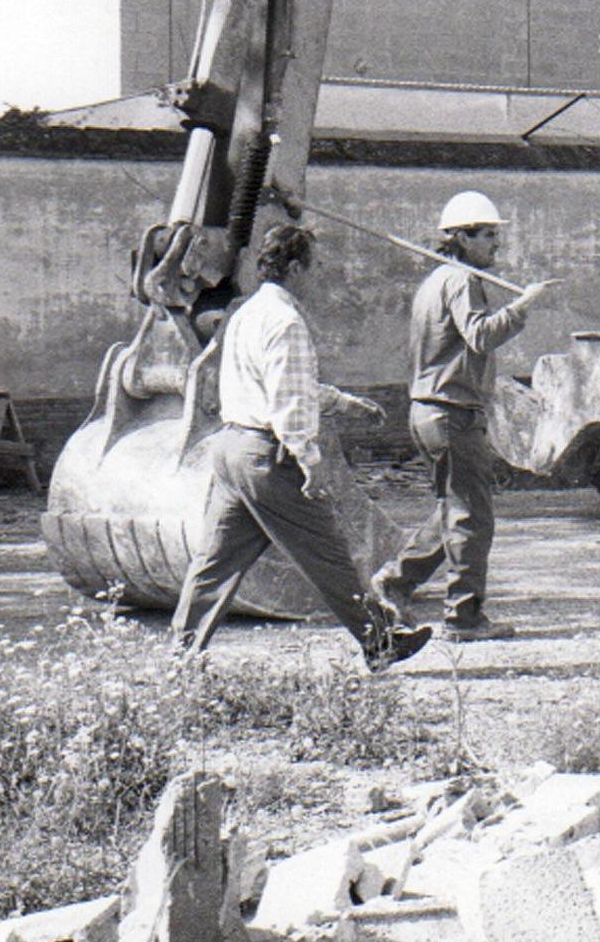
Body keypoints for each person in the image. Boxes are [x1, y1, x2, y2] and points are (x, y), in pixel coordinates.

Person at [171, 222, 431, 672]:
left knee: (214, 561)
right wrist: (309, 461)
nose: (319, 277)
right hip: (268, 455)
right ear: (294, 269)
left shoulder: (245, 314)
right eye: (315, 268)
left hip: (231, 449)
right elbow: (288, 402)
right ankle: (380, 641)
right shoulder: (287, 321)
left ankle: (180, 655)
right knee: (328, 553)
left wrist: (345, 404)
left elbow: (283, 384)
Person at [371, 190, 555, 640]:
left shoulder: (436, 282)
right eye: (488, 236)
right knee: (473, 516)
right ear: (461, 238)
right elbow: (480, 336)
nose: (496, 244)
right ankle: (464, 618)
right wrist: (522, 305)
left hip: (430, 410)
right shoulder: (461, 281)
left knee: (453, 510)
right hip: (452, 412)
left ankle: (395, 581)